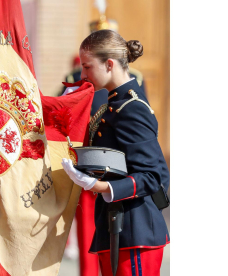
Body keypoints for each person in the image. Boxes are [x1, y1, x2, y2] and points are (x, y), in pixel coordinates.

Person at [61, 29, 170, 276]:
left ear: (109, 64)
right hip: (116, 226)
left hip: (135, 229)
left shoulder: (132, 108)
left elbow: (153, 176)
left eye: (88, 67)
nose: (84, 74)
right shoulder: (113, 105)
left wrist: (99, 187)